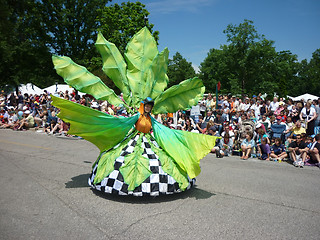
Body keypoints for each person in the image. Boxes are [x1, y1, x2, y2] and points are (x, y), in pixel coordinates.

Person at [51, 28, 219, 197]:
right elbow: (122, 123)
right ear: (142, 106)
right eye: (146, 106)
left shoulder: (150, 118)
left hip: (148, 139)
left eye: (149, 106)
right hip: (133, 139)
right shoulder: (136, 116)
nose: (148, 108)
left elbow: (161, 129)